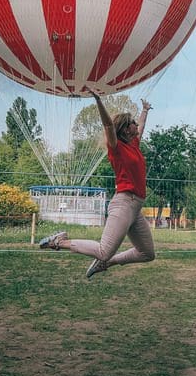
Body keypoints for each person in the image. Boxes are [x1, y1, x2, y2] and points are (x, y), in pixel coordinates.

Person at [39, 91, 155, 279]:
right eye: (132, 122)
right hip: (124, 203)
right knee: (104, 249)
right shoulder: (117, 148)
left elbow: (141, 127)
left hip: (135, 208)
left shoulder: (133, 144)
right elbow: (108, 125)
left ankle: (107, 263)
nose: (136, 125)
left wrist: (145, 110)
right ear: (126, 129)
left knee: (147, 253)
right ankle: (59, 241)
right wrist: (99, 100)